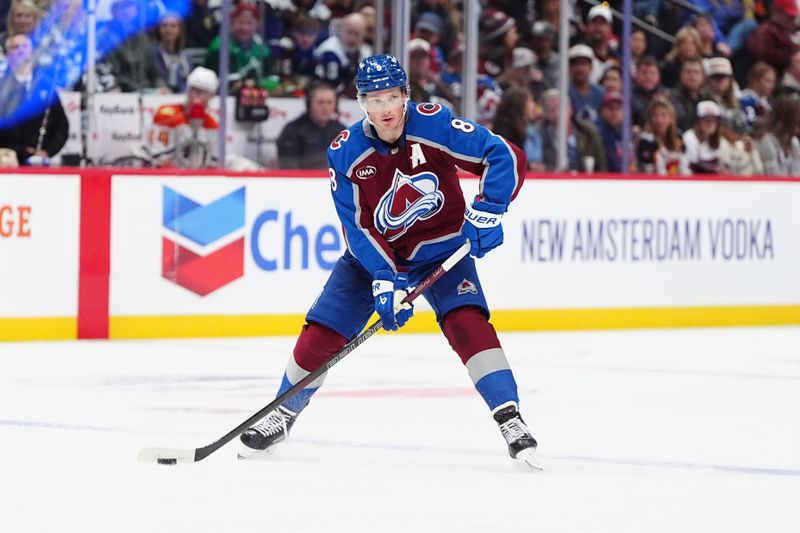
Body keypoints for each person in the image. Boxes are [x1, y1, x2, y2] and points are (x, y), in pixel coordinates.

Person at [238, 54, 540, 469]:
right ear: (361, 102)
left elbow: (503, 155)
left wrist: (489, 209)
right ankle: (283, 412)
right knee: (324, 330)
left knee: (468, 323)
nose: (384, 110)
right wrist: (384, 277)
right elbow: (357, 228)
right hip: (374, 260)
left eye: (392, 98)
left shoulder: (434, 124)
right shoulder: (345, 153)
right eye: (374, 100)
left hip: (444, 252)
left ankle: (510, 416)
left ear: (406, 96)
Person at [0, 33, 68, 165]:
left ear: (31, 52)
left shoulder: (45, 87)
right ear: (8, 54)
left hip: (41, 160)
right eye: (16, 47)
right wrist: (21, 151)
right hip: (8, 160)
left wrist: (47, 151)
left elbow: (62, 125)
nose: (21, 50)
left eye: (24, 47)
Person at [145, 66, 219, 168]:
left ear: (211, 97)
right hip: (166, 175)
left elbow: (214, 162)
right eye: (196, 91)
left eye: (206, 94)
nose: (199, 97)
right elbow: (158, 157)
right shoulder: (167, 114)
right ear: (188, 91)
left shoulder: (211, 124)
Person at [276, 80, 346, 168]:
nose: (325, 108)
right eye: (320, 102)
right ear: (309, 104)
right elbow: (288, 168)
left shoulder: (341, 131)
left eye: (329, 102)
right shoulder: (292, 131)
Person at [756, 95, 800, 176]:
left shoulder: (794, 142)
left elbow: (797, 174)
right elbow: (772, 175)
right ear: (788, 119)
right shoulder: (767, 140)